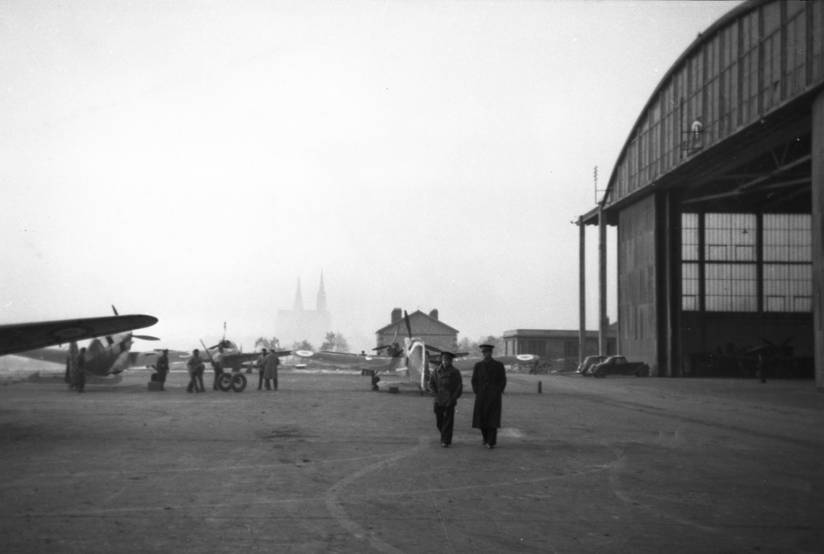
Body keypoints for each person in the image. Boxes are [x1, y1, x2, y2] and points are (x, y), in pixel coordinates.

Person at [471, 343, 506, 449]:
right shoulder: (478, 365)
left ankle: (491, 441)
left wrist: (498, 391)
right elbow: (474, 380)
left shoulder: (498, 365)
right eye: (484, 352)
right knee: (481, 419)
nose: (486, 354)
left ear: (491, 353)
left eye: (488, 352)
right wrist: (477, 391)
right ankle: (485, 438)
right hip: (481, 396)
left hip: (494, 397)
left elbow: (503, 380)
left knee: (493, 419)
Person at [428, 351, 463, 447]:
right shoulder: (436, 371)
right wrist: (435, 395)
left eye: (447, 360)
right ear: (441, 360)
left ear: (451, 361)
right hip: (438, 399)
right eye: (443, 360)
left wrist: (453, 398)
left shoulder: (455, 372)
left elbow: (458, 387)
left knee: (448, 421)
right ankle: (444, 435)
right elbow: (431, 384)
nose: (445, 362)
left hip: (449, 400)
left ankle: (446, 440)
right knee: (439, 421)